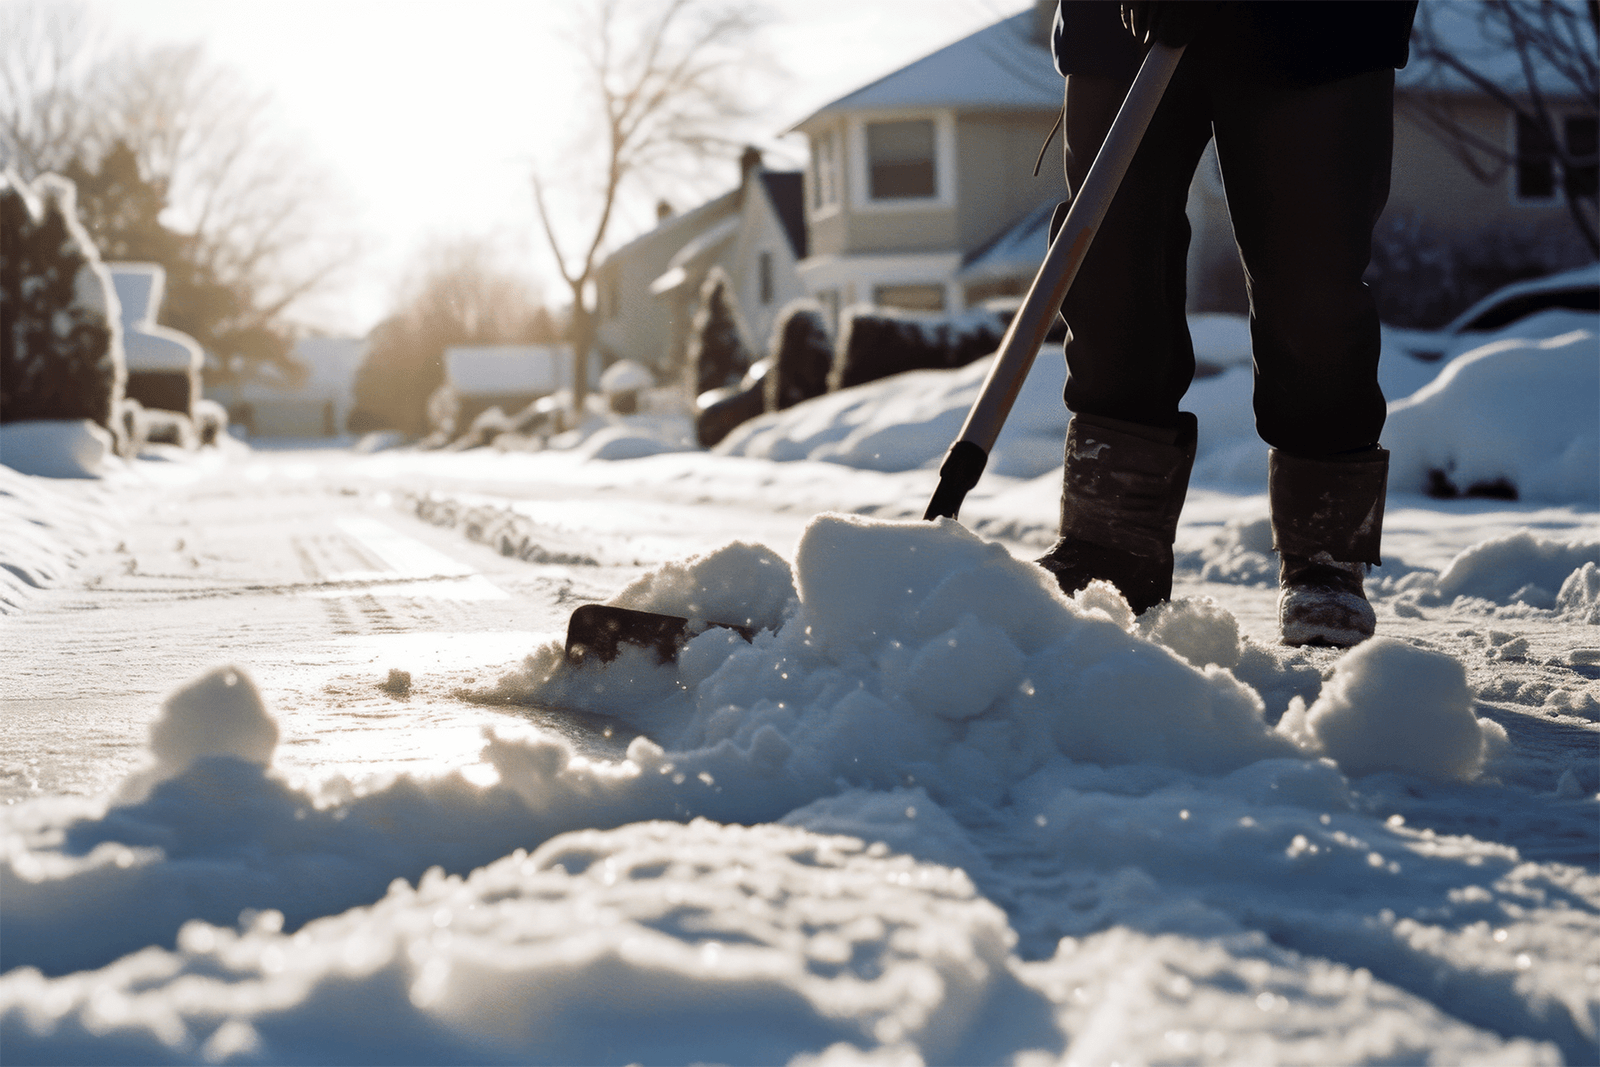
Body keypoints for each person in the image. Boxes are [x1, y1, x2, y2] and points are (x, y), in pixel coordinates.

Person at [1036, 0, 1419, 647]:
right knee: (1110, 262)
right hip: (1126, 18)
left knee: (1311, 274)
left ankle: (1324, 556)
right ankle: (1110, 541)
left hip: (1317, 25)